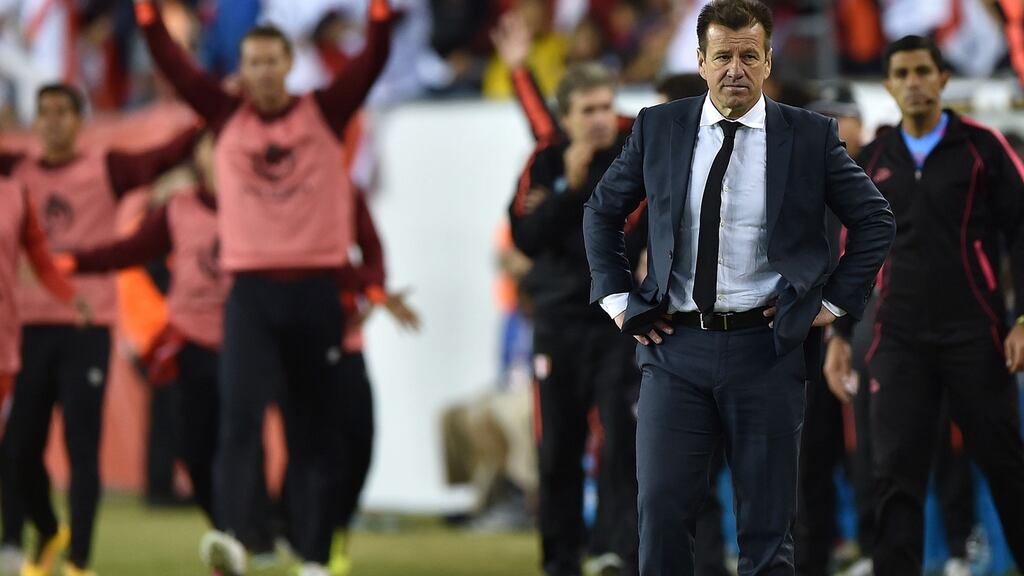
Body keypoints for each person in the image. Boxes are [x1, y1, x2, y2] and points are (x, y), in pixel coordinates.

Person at [583, 1, 895, 574]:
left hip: (767, 350)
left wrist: (830, 303)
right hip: (672, 347)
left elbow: (876, 220)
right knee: (662, 515)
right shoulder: (660, 126)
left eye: (748, 55)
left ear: (768, 60)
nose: (735, 69)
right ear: (700, 61)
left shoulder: (809, 135)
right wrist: (618, 299)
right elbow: (601, 213)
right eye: (722, 56)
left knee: (768, 531)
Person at [132, 0, 393, 572]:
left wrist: (379, 11)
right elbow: (174, 66)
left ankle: (316, 555)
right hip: (249, 295)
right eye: (254, 62)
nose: (265, 72)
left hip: (314, 294)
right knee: (239, 422)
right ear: (242, 69)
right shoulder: (225, 115)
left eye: (274, 61)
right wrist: (148, 16)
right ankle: (234, 537)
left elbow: (373, 60)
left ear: (289, 63)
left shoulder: (324, 111)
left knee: (314, 430)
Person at [823, 35, 1024, 575]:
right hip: (898, 338)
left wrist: (1023, 318)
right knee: (894, 475)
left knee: (1006, 465)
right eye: (902, 74)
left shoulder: (982, 148)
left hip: (975, 333)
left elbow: (1021, 229)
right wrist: (839, 337)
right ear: (888, 85)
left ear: (942, 79)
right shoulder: (871, 162)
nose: (913, 82)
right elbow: (851, 254)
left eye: (922, 71)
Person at [0, 83, 199, 576]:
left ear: (79, 120)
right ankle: (46, 531)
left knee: (81, 444)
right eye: (43, 112)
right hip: (24, 328)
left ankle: (80, 559)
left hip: (84, 326)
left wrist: (215, 113)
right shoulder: (16, 172)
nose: (52, 122)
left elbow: (164, 157)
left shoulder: (105, 168)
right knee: (18, 448)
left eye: (63, 112)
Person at [507, 62, 644, 576]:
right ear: (563, 119)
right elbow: (525, 235)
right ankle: (559, 560)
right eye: (587, 110)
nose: (599, 118)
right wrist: (569, 185)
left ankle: (614, 553)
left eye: (605, 105)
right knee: (558, 446)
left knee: (621, 440)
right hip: (560, 321)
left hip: (619, 320)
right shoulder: (545, 161)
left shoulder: (639, 146)